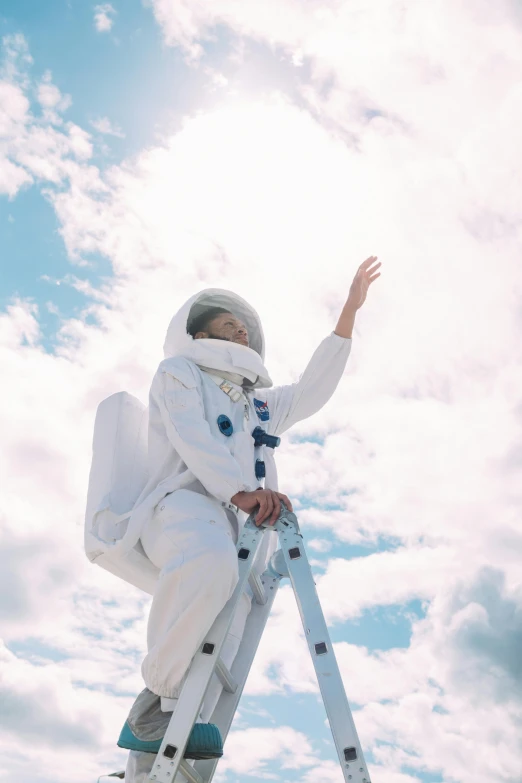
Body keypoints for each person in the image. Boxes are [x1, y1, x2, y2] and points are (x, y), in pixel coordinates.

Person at [119, 257, 382, 782]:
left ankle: (163, 766)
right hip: (183, 505)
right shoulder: (181, 372)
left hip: (236, 526)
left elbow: (312, 388)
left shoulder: (258, 404)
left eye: (243, 327)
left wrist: (348, 315)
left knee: (226, 638)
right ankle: (153, 704)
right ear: (197, 333)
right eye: (226, 324)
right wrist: (239, 490)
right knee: (209, 565)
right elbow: (192, 436)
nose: (240, 329)